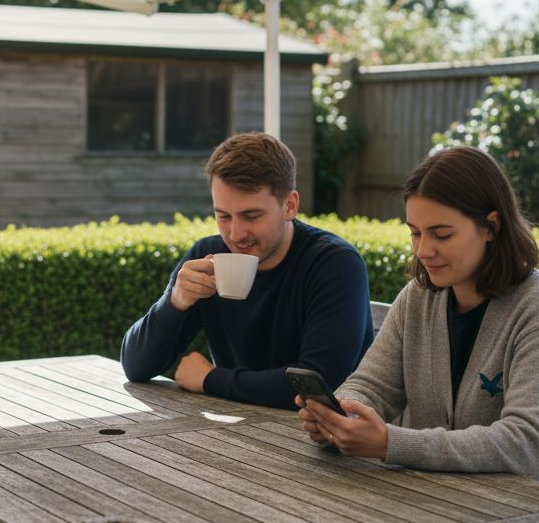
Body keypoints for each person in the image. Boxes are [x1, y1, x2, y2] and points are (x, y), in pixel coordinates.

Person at [297, 145, 539, 523]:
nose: (424, 250)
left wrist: (390, 444)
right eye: (415, 232)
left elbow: (524, 444)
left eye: (441, 234)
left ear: (491, 226)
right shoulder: (420, 298)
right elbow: (371, 384)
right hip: (438, 522)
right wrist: (341, 413)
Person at [121, 132, 373, 410]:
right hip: (236, 435)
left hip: (320, 441)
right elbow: (136, 367)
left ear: (290, 205)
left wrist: (210, 379)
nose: (236, 234)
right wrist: (174, 303)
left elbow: (316, 385)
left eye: (251, 216)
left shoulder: (334, 263)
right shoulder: (207, 257)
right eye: (223, 216)